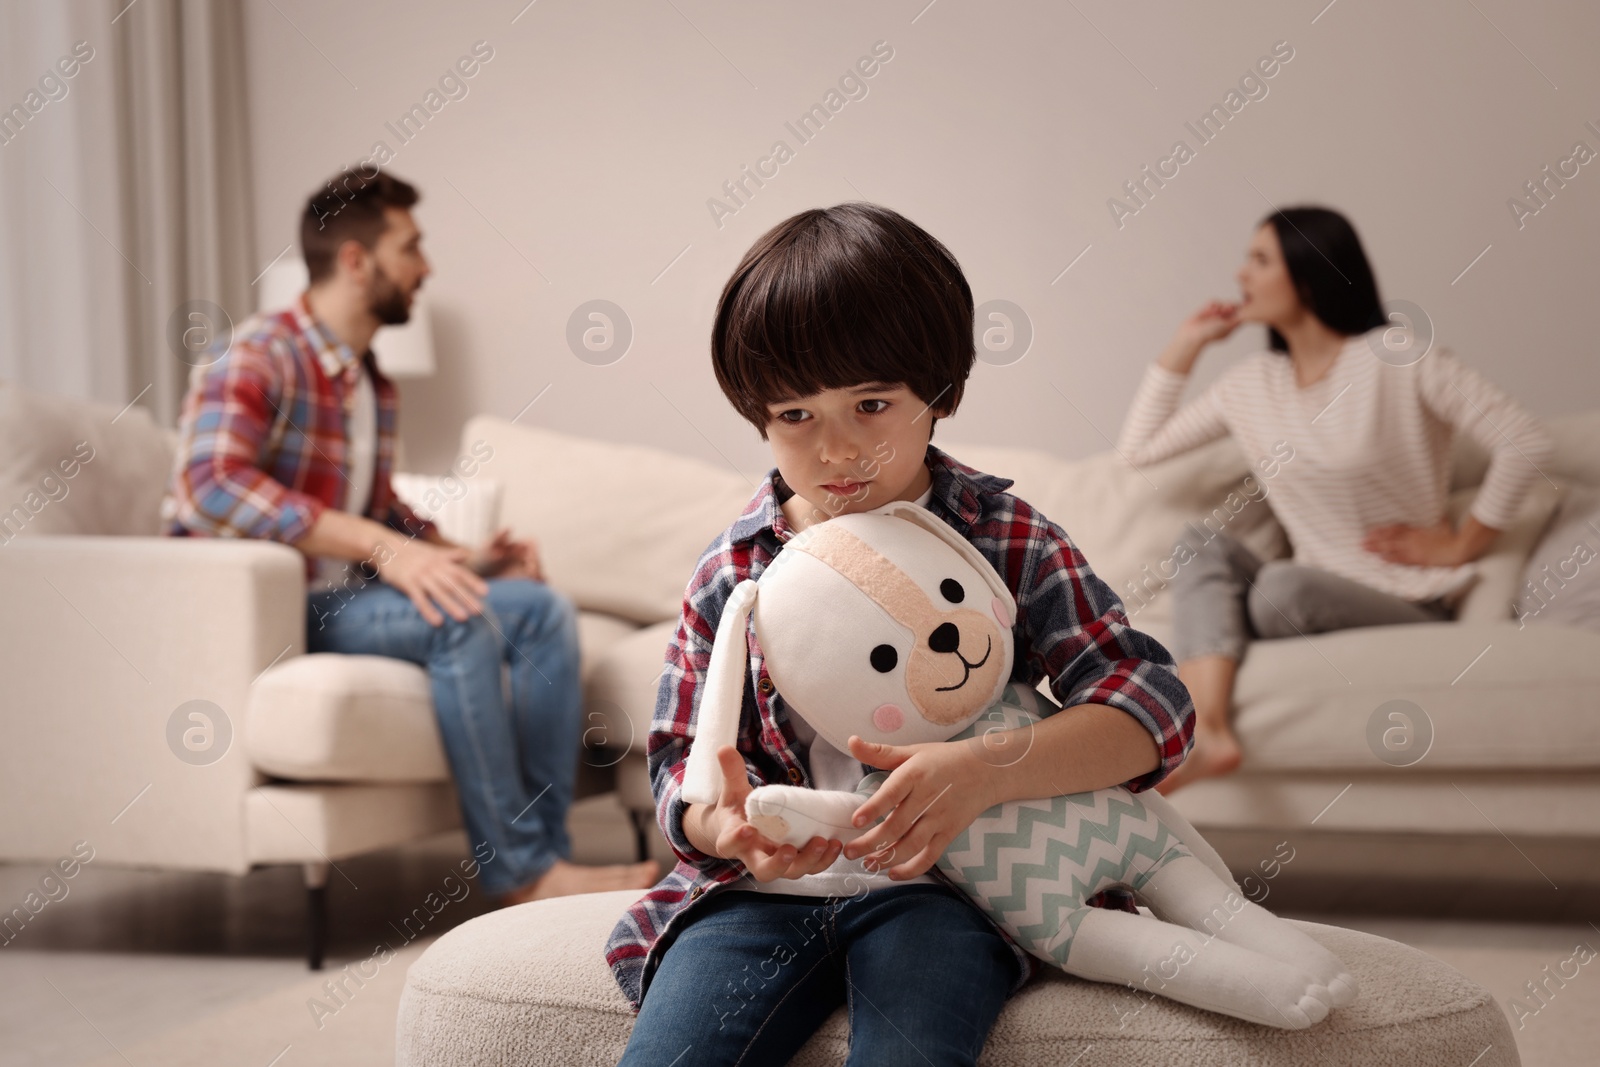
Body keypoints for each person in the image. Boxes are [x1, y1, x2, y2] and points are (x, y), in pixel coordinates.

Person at [606, 203, 1194, 1065]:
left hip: (952, 889)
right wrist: (718, 827)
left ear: (939, 393)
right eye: (796, 416)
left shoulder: (1006, 537)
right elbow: (677, 764)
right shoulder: (734, 570)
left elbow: (1153, 708)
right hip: (762, 897)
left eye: (871, 404)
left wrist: (984, 771)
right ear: (757, 416)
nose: (839, 449)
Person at [164, 167, 656, 902]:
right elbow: (210, 483)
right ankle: (518, 872)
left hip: (341, 598)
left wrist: (466, 555)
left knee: (540, 609)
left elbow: (377, 504)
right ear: (357, 261)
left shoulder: (368, 381)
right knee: (459, 618)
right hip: (263, 609)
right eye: (411, 247)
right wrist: (382, 547)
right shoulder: (257, 355)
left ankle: (548, 852)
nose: (425, 268)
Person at [1116, 206, 1553, 794]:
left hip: (1404, 597)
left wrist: (1460, 545)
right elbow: (1137, 451)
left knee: (1282, 590)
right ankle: (1206, 733)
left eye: (1260, 260)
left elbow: (1525, 442)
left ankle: (1220, 684)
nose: (1241, 275)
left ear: (1309, 273)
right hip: (1300, 593)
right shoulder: (1252, 384)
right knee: (1202, 545)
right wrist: (1188, 342)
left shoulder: (1397, 356)